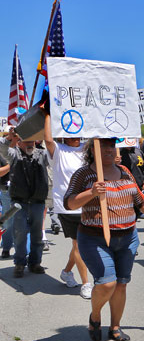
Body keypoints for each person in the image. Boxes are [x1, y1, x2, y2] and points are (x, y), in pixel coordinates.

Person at [64, 138, 144, 341]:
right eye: (103, 147)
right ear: (93, 150)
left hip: (128, 238)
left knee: (121, 284)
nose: (109, 150)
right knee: (107, 283)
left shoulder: (124, 171)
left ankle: (115, 326)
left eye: (111, 146)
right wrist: (91, 192)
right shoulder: (84, 174)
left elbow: (140, 199)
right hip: (95, 238)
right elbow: (69, 203)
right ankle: (95, 317)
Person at [43, 106, 92, 299]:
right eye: (71, 133)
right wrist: (47, 113)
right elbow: (48, 140)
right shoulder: (59, 150)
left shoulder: (88, 150)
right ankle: (86, 283)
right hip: (67, 206)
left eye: (79, 133)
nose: (76, 136)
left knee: (79, 245)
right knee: (80, 245)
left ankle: (66, 272)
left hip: (88, 204)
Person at [0, 128, 50, 277]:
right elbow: (2, 148)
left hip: (37, 201)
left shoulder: (42, 154)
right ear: (19, 142)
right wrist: (10, 136)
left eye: (32, 141)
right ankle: (20, 264)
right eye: (26, 141)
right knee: (20, 234)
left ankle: (35, 263)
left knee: (37, 235)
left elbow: (54, 153)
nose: (30, 144)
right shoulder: (14, 154)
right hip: (19, 202)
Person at [0, 129, 18, 259]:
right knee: (7, 221)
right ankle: (6, 247)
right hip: (6, 189)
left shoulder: (27, 148)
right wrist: (12, 165)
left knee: (25, 220)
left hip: (24, 190)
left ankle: (23, 252)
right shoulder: (3, 152)